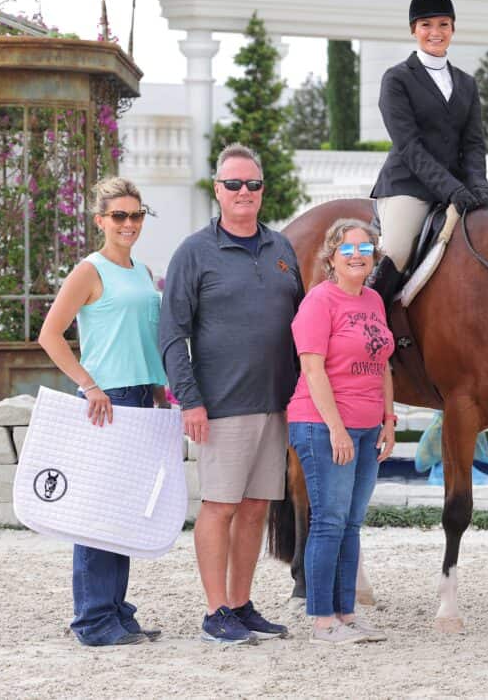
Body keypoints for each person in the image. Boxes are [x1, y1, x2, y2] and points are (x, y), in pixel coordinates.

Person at [159, 143, 304, 645]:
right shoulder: (194, 252)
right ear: (218, 190)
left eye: (253, 184)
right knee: (219, 507)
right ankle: (214, 611)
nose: (245, 192)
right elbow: (172, 334)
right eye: (234, 184)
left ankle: (241, 605)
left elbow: (302, 327)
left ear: (263, 190)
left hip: (277, 404)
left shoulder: (282, 248)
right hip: (221, 406)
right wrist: (189, 399)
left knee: (256, 507)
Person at [38, 176, 169, 646]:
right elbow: (50, 335)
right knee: (98, 513)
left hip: (141, 398)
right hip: (106, 401)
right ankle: (93, 620)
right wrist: (89, 385)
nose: (129, 223)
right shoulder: (89, 270)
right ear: (100, 220)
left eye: (136, 214)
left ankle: (116, 610)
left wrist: (159, 389)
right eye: (119, 216)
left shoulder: (141, 271)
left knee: (125, 512)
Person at [287, 219, 396, 645]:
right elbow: (312, 370)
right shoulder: (319, 301)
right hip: (322, 425)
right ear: (331, 257)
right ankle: (322, 620)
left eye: (364, 249)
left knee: (351, 524)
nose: (356, 256)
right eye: (347, 249)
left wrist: (388, 419)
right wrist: (336, 428)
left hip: (368, 428)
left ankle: (346, 614)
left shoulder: (373, 300)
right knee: (329, 522)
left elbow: (383, 364)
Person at [368, 0, 488, 312]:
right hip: (408, 186)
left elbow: (473, 144)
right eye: (426, 25)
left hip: (458, 189)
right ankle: (366, 318)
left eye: (443, 24)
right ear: (414, 29)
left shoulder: (466, 83)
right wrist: (452, 188)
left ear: (453, 29)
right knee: (397, 250)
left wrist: (479, 187)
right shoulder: (397, 79)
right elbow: (408, 146)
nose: (435, 32)